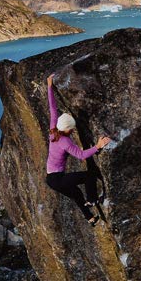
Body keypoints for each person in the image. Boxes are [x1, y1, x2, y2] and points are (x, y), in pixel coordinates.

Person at [44, 74, 112, 226]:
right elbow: (81, 155)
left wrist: (49, 86)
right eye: (72, 128)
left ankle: (90, 218)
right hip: (57, 179)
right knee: (89, 176)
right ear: (67, 129)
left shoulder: (53, 130)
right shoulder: (65, 142)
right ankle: (92, 199)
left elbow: (52, 108)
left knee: (76, 193)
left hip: (51, 179)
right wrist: (98, 146)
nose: (73, 130)